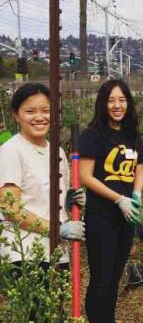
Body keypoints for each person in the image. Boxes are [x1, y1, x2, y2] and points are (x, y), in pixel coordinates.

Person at [79, 80, 143, 323]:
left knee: (116, 272)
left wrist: (135, 195)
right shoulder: (93, 135)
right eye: (111, 100)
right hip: (102, 216)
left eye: (122, 100)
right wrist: (116, 199)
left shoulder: (132, 136)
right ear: (103, 104)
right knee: (101, 276)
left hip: (125, 217)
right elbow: (85, 176)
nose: (117, 105)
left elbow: (140, 170)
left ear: (128, 103)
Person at [0, 83, 85, 267]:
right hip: (25, 253)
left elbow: (49, 200)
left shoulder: (57, 152)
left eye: (46, 110)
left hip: (57, 252)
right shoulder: (12, 151)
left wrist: (68, 203)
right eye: (30, 111)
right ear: (16, 115)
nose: (39, 117)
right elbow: (10, 208)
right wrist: (57, 229)